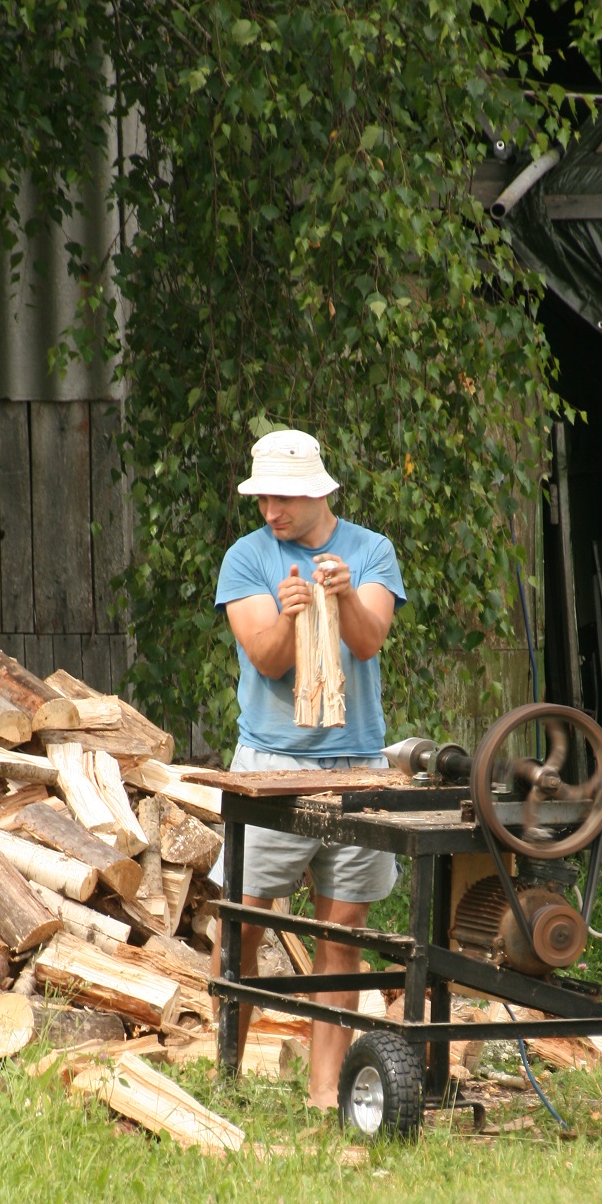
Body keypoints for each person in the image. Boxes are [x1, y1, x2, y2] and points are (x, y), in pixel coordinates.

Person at [211, 428, 406, 1109]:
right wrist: (292, 616)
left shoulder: (371, 550)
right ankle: (225, 1072)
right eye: (263, 498)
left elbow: (368, 639)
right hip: (271, 765)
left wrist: (347, 595)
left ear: (317, 490)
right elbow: (266, 659)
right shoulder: (246, 558)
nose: (270, 512)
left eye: (282, 498)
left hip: (356, 765)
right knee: (245, 922)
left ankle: (327, 1093)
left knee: (340, 932)